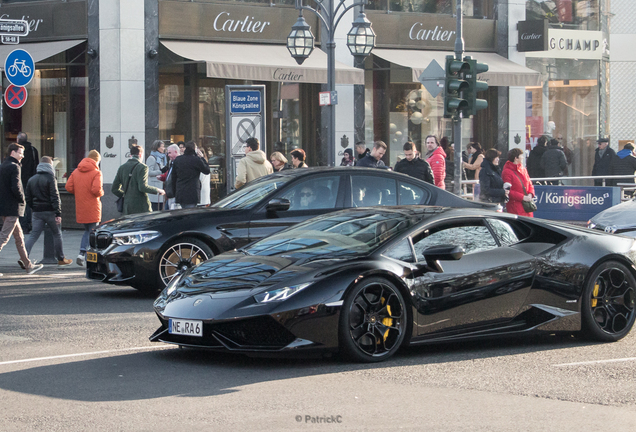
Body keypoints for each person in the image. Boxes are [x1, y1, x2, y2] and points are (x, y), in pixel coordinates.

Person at [0, 143, 43, 275]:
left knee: (19, 238)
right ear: (13, 152)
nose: (23, 156)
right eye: (20, 153)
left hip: (4, 207)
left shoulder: (3, 166)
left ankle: (28, 265)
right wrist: (22, 200)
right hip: (13, 207)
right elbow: (16, 187)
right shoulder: (14, 167)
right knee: (4, 237)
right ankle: (28, 265)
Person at [24, 156, 73, 266]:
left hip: (37, 212)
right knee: (57, 234)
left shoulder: (32, 179)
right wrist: (58, 213)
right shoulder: (51, 178)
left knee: (33, 235)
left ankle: (24, 257)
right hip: (50, 211)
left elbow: (28, 197)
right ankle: (61, 258)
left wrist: (34, 207)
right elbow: (54, 196)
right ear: (50, 166)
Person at [66, 150, 104, 266]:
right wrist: (102, 192)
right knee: (92, 232)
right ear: (97, 160)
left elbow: (68, 186)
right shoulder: (96, 173)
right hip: (93, 206)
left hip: (81, 205)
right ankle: (87, 256)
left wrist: (79, 192)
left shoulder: (76, 171)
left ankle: (82, 254)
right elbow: (96, 190)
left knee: (87, 231)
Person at [112, 144, 165, 215]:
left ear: (131, 154)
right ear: (140, 154)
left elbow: (114, 189)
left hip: (127, 206)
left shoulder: (122, 168)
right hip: (141, 206)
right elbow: (142, 187)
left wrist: (126, 195)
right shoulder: (142, 167)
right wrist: (157, 190)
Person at [172, 141, 211, 208]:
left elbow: (173, 177)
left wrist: (174, 192)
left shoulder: (178, 160)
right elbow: (207, 170)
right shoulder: (196, 160)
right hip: (192, 192)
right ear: (194, 149)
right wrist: (202, 158)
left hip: (180, 192)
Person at [502, 148, 535, 217]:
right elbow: (508, 191)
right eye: (521, 155)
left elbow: (529, 183)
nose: (523, 157)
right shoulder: (507, 172)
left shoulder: (523, 169)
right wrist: (522, 197)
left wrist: (531, 194)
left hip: (526, 206)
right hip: (515, 207)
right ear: (516, 158)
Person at [17, 132, 39, 234]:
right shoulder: (33, 150)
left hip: (20, 180)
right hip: (31, 179)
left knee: (21, 202)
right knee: (29, 202)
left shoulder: (16, 151)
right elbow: (36, 166)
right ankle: (29, 223)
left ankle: (24, 225)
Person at [158, 144, 180, 210]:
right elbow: (170, 175)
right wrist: (163, 177)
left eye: (169, 153)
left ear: (176, 152)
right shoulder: (171, 162)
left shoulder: (179, 163)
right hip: (170, 195)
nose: (168, 155)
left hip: (175, 195)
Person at [146, 140, 167, 211]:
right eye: (162, 147)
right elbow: (148, 172)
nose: (164, 148)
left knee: (159, 209)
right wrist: (160, 171)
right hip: (154, 188)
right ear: (158, 148)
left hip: (160, 187)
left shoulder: (160, 158)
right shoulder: (151, 158)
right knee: (155, 209)